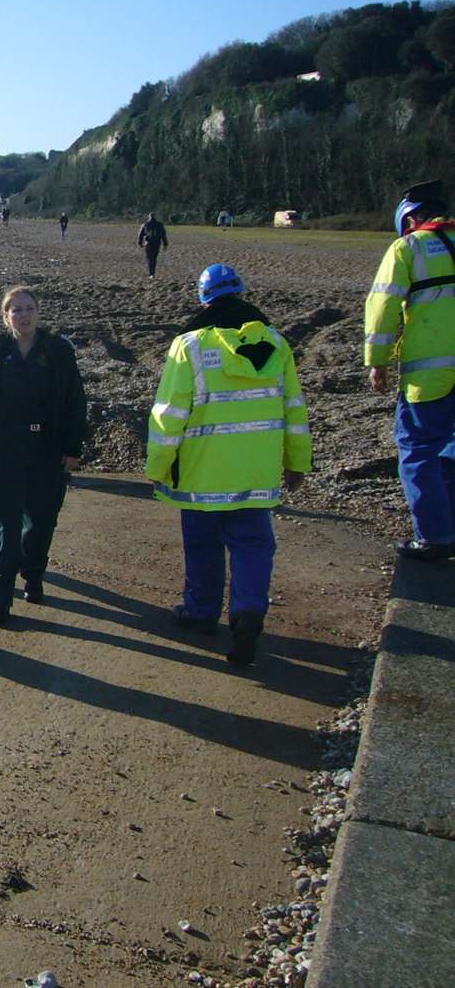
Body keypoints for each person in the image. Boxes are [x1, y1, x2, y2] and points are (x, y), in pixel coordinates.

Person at [149, 264, 312, 665]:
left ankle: (202, 614)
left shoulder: (189, 346)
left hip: (202, 474)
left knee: (203, 546)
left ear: (203, 299)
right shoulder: (276, 343)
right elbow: (295, 409)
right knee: (254, 545)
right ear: (241, 293)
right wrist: (297, 463)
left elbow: (168, 415)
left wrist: (158, 465)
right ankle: (247, 613)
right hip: (256, 474)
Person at [0, 286, 87, 626]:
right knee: (5, 527)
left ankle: (34, 573)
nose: (23, 315)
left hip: (47, 449)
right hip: (2, 450)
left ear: (37, 313)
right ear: (5, 316)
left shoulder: (57, 351)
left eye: (29, 308)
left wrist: (73, 449)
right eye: (16, 310)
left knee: (40, 524)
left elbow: (75, 403)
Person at [365, 178, 455, 561]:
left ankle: (435, 535)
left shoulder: (409, 248)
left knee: (417, 449)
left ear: (411, 217)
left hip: (430, 374)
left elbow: (383, 308)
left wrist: (378, 361)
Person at [138, 213, 169, 278]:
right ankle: (152, 273)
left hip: (148, 243)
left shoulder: (145, 224)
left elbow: (140, 235)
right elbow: (163, 235)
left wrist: (140, 243)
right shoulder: (160, 225)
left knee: (149, 258)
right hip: (157, 243)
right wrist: (165, 244)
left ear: (149, 217)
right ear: (155, 217)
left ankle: (151, 273)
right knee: (154, 258)